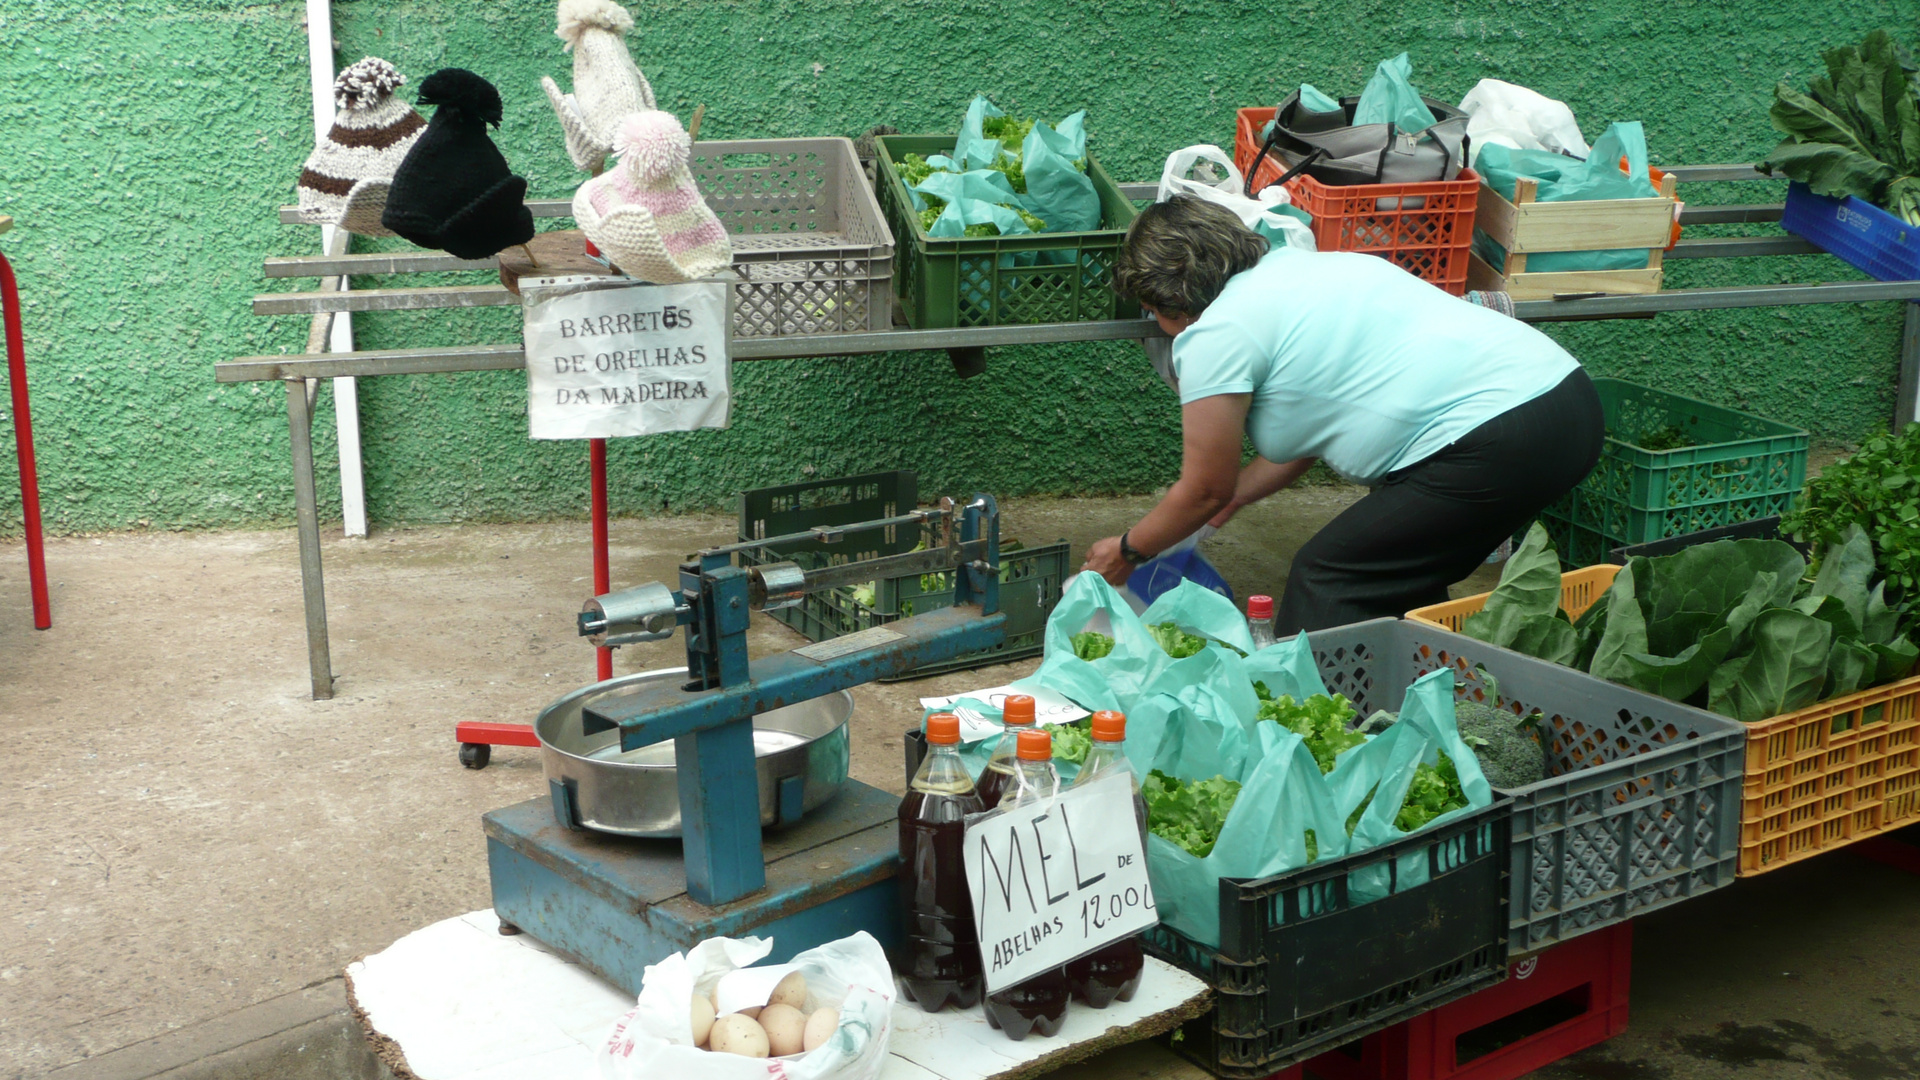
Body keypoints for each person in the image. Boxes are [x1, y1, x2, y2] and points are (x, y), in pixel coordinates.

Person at [1081, 194, 1604, 635]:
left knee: (1330, 576)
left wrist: (1128, 550)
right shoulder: (1307, 269)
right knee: (1396, 572)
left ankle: (1325, 734)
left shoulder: (1216, 334)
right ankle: (1409, 696)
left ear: (1166, 298)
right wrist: (1231, 502)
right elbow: (1298, 441)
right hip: (1566, 404)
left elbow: (1202, 488)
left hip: (1492, 436)